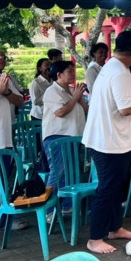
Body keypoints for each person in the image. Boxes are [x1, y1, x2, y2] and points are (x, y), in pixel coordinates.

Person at [82, 31, 131, 254]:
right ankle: (95, 238)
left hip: (115, 139)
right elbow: (126, 108)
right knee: (107, 189)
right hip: (107, 141)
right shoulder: (119, 72)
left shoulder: (113, 68)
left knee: (117, 187)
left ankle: (114, 228)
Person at [42, 60, 88, 216]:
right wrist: (75, 97)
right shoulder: (52, 91)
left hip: (74, 136)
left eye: (73, 70)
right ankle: (48, 209)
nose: (73, 74)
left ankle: (67, 207)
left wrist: (79, 98)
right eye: (69, 71)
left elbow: (87, 110)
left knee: (73, 171)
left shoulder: (72, 91)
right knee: (58, 172)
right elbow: (60, 112)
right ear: (59, 74)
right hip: (57, 137)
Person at [0, 45, 24, 219]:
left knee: (1, 182)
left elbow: (19, 101)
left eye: (2, 55)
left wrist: (6, 91)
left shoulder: (5, 79)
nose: (1, 58)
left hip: (4, 140)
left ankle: (1, 218)